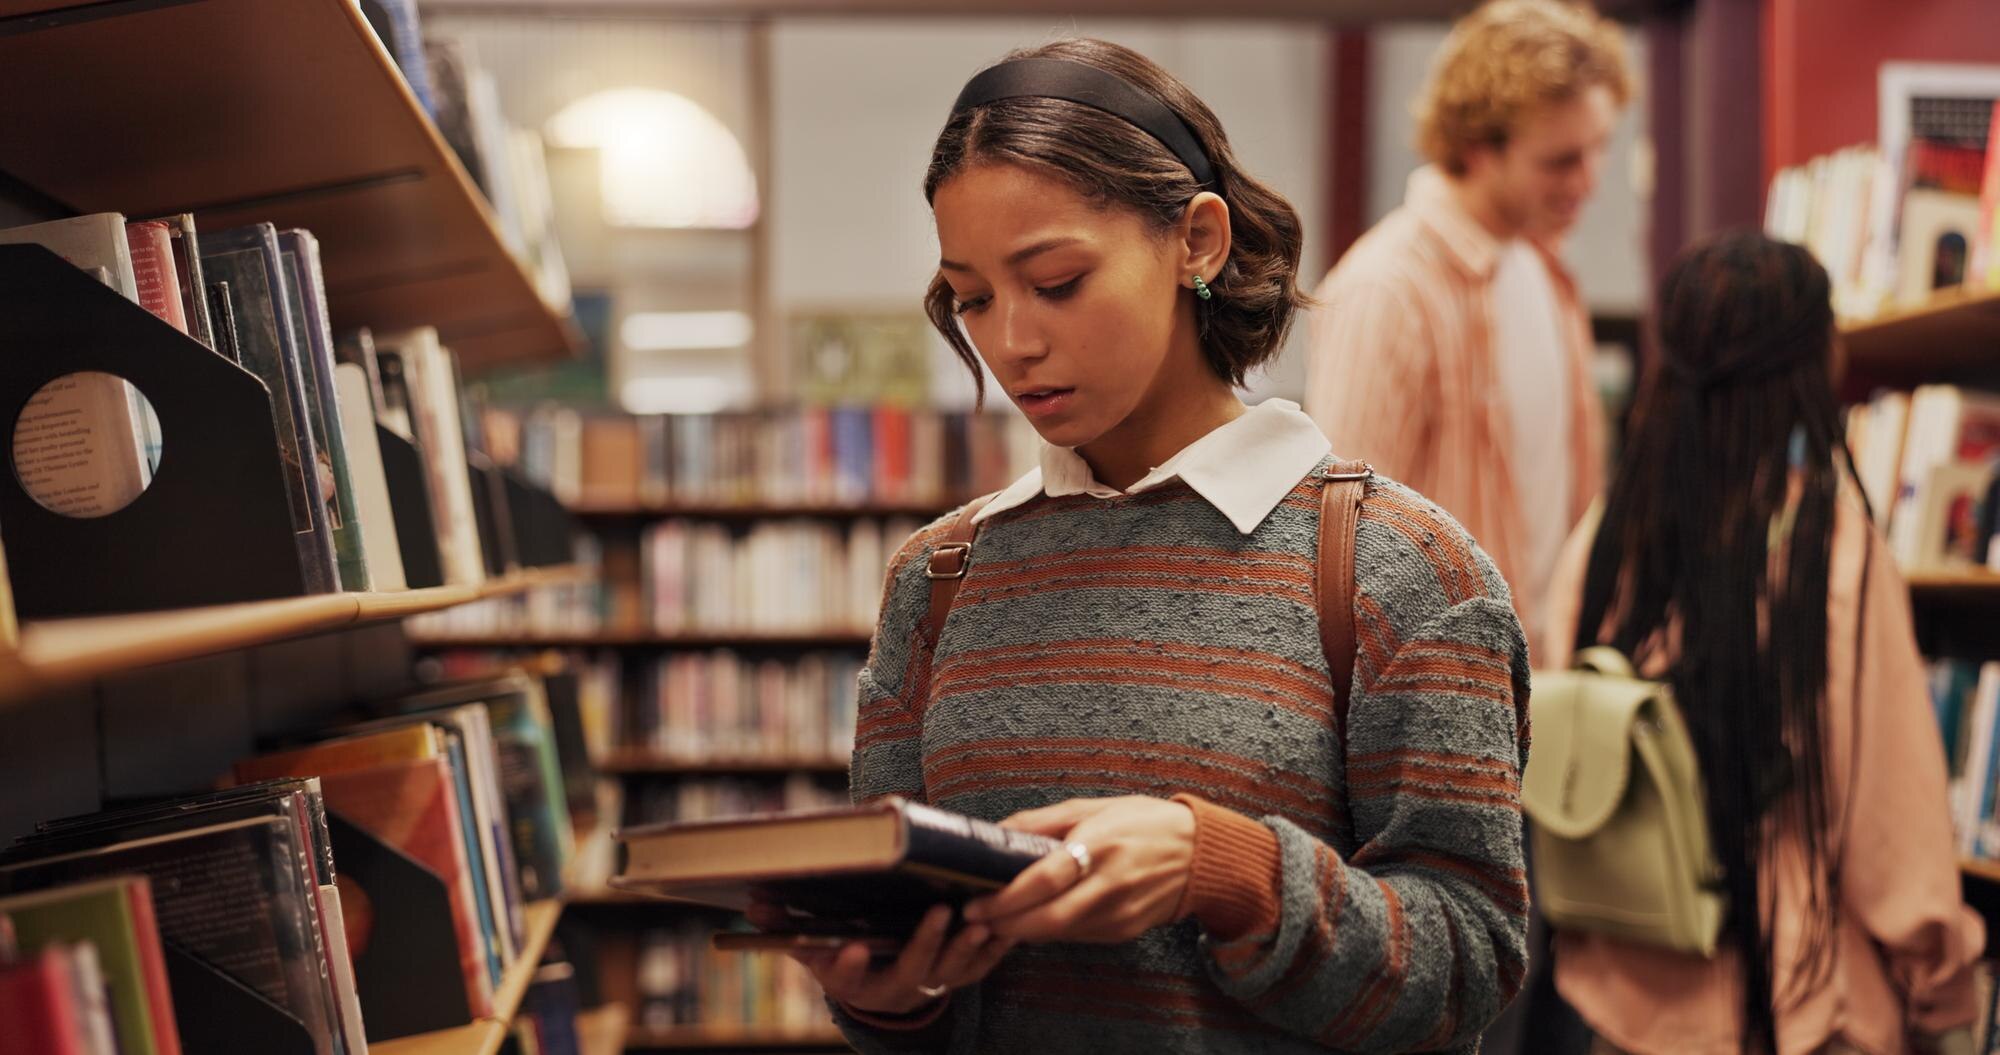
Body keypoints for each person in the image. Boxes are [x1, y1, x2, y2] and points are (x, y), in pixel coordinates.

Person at [759, 37, 1534, 1055]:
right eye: (972, 298)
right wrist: (889, 996)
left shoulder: (1402, 570)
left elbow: (1470, 959)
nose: (1011, 341)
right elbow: (917, 987)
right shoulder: (938, 577)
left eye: (1056, 281)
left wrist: (1226, 870)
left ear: (1197, 241)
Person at [1540, 231, 1985, 1055]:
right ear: (1810, 365)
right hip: (1790, 1002)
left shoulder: (1609, 536)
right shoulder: (1827, 550)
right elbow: (1892, 834)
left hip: (1621, 991)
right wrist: (1945, 994)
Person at [1303, 0, 1631, 648]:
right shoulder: (1387, 289)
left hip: (1542, 673)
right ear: (1478, 149)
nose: (1590, 181)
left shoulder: (1546, 269)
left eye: (1599, 149)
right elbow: (1341, 548)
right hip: (1440, 685)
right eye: (1561, 161)